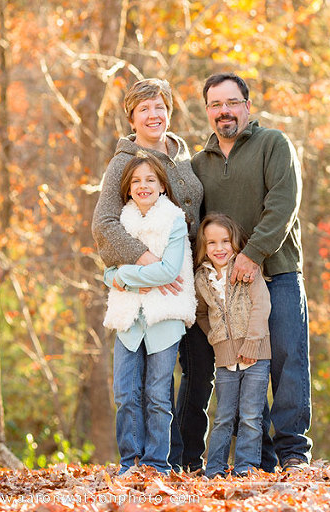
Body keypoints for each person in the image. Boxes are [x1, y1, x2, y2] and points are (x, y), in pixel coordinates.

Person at [191, 72, 312, 472]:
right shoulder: (198, 164)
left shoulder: (273, 144)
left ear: (247, 105)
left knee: (286, 362)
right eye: (215, 104)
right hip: (228, 290)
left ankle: (294, 453)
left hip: (277, 273)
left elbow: (283, 204)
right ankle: (260, 456)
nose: (224, 111)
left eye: (231, 102)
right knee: (246, 367)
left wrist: (253, 254)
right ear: (208, 110)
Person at [91, 78, 213, 472]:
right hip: (151, 289)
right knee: (142, 386)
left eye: (159, 107)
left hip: (190, 284)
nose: (153, 115)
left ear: (170, 111)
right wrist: (143, 260)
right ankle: (143, 462)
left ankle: (181, 462)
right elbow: (104, 224)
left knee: (193, 378)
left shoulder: (182, 156)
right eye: (144, 109)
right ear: (132, 116)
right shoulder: (123, 163)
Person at [102, 152, 196, 474]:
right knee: (125, 394)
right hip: (128, 319)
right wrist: (119, 278)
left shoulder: (174, 221)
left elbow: (168, 271)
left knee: (157, 396)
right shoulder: (121, 223)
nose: (143, 186)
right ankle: (131, 463)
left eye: (150, 180)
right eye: (136, 181)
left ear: (162, 187)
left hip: (163, 320)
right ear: (127, 189)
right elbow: (106, 273)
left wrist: (124, 277)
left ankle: (157, 464)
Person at [194, 213, 271, 477]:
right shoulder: (201, 279)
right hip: (225, 359)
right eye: (212, 242)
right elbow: (202, 315)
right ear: (204, 247)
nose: (219, 248)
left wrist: (251, 343)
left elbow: (262, 306)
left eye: (225, 241)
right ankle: (214, 469)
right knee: (224, 417)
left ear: (235, 242)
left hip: (257, 355)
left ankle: (245, 468)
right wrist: (216, 338)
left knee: (251, 416)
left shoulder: (247, 269)